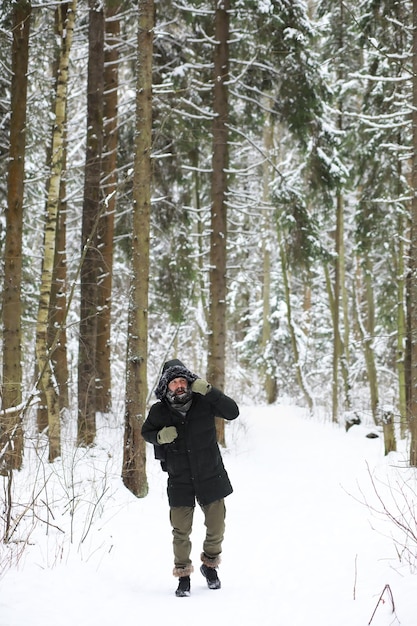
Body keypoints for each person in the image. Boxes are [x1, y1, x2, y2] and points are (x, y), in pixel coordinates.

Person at [141, 359, 239, 597]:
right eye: (174, 382)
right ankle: (183, 576)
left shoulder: (204, 402)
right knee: (180, 531)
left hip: (210, 474)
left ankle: (210, 565)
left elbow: (232, 412)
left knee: (217, 527)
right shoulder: (159, 411)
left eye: (182, 380)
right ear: (166, 386)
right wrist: (160, 437)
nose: (179, 386)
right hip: (179, 479)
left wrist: (209, 390)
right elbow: (147, 432)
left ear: (189, 382)